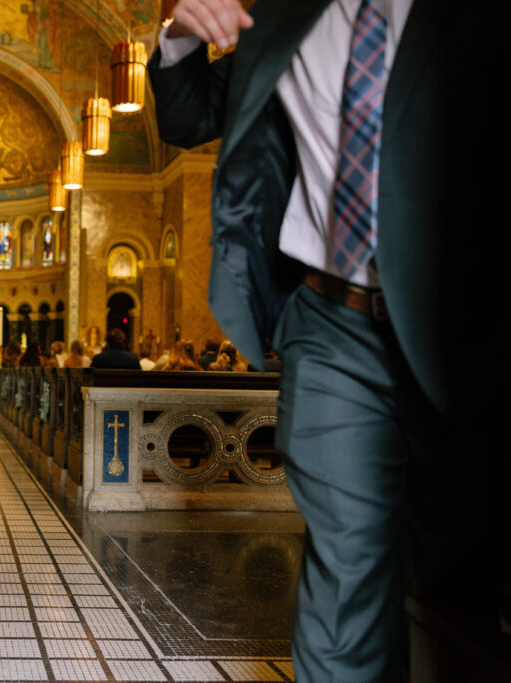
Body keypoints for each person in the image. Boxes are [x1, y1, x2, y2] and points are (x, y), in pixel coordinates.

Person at [150, 1, 498, 679]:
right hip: (332, 323)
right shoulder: (282, 13)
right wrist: (180, 36)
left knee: (462, 580)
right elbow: (189, 117)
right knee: (347, 572)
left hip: (468, 326)